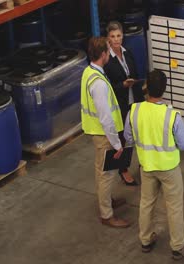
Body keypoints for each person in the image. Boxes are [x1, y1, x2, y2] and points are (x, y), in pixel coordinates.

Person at [124, 70, 184, 260]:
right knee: (173, 206)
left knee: (146, 203)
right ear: (164, 90)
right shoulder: (172, 116)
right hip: (169, 168)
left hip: (146, 167)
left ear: (146, 88)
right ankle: (178, 246)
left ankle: (146, 240)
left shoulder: (134, 110)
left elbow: (128, 138)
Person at [81, 36, 130, 228]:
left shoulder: (89, 71)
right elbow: (106, 118)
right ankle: (107, 214)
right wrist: (117, 143)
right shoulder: (99, 83)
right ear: (103, 54)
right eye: (108, 51)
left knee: (102, 171)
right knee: (106, 174)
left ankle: (107, 201)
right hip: (104, 135)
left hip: (98, 132)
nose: (110, 54)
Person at [104, 21, 145, 186]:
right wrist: (122, 85)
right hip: (120, 105)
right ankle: (123, 169)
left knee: (139, 134)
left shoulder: (128, 54)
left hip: (134, 101)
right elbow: (106, 88)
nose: (116, 39)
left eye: (119, 35)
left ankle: (144, 162)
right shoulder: (107, 61)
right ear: (108, 38)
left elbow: (135, 73)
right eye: (113, 36)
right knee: (122, 139)